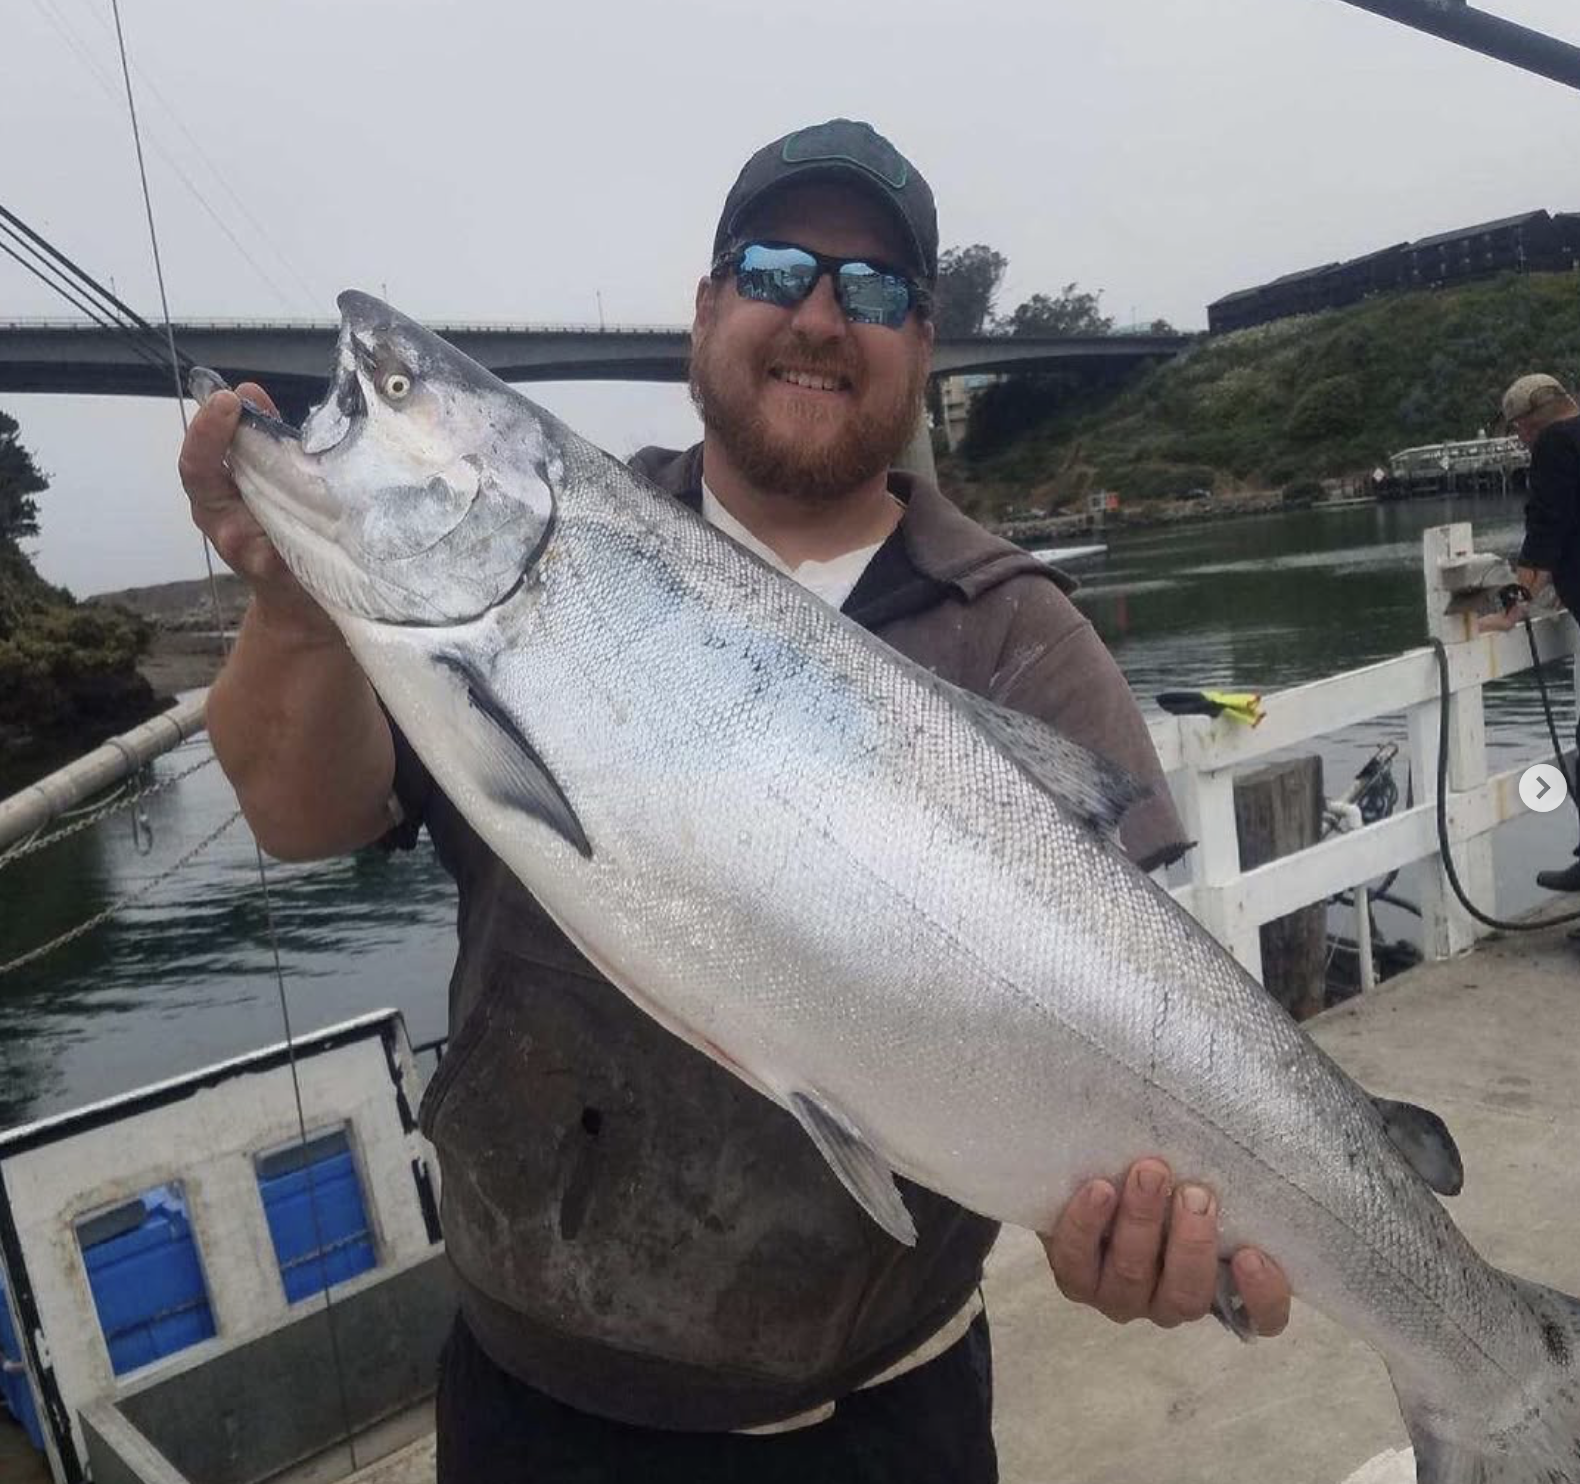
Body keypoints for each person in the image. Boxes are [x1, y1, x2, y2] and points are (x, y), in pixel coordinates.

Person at [178, 118, 1289, 1482]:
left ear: (923, 347)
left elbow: (1136, 1005)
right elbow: (299, 818)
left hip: (884, 1421)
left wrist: (1147, 1223)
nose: (822, 315)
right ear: (704, 310)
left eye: (876, 291)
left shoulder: (1018, 633)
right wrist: (296, 595)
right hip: (536, 1406)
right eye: (776, 270)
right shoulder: (547, 576)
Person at [1501, 373, 1580, 892]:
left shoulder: (1557, 442)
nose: (1521, 441)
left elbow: (1547, 526)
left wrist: (1515, 602)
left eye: (1519, 431)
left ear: (1532, 419)